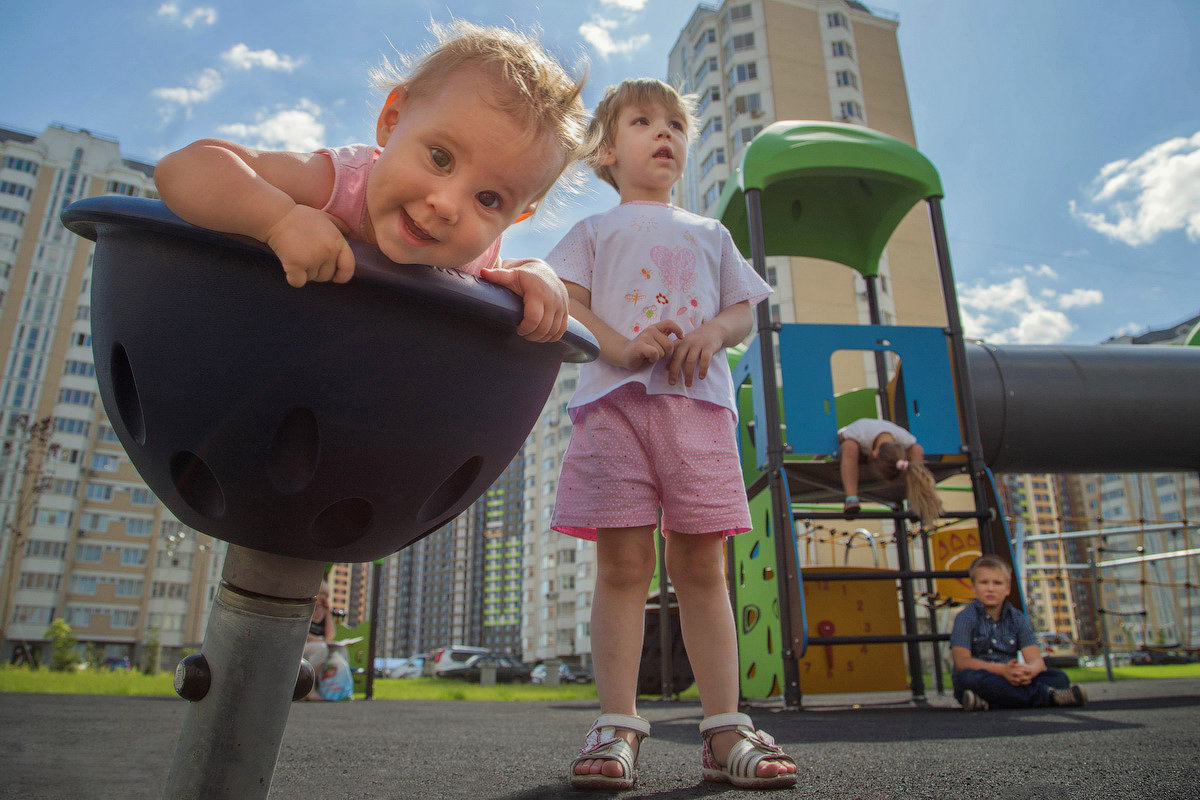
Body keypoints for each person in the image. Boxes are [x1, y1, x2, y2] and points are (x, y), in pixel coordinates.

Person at [547, 78, 796, 791]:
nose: (665, 134)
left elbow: (742, 311)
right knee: (623, 570)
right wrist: (622, 346)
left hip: (699, 415)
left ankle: (724, 728)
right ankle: (616, 723)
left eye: (676, 124)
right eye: (642, 121)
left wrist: (714, 331)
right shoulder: (593, 232)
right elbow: (570, 299)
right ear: (605, 151)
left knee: (702, 571)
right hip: (616, 410)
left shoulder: (711, 232)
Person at [154, 20, 588, 343]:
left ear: (517, 218)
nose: (447, 205)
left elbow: (499, 273)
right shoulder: (339, 185)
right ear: (391, 120)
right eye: (441, 158)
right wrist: (279, 220)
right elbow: (187, 166)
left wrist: (536, 272)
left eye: (490, 199)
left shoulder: (474, 251)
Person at [949, 555, 1087, 711]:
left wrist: (1027, 672)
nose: (991, 588)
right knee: (969, 678)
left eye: (997, 583)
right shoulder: (965, 618)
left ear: (1007, 589)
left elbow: (1036, 661)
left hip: (1012, 679)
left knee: (1059, 678)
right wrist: (1003, 670)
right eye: (984, 582)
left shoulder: (1017, 618)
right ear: (973, 587)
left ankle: (989, 703)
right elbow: (962, 662)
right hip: (985, 677)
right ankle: (1050, 697)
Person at [837, 417, 943, 527]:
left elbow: (916, 449)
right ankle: (851, 498)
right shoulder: (859, 430)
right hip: (858, 451)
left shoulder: (903, 438)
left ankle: (915, 500)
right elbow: (837, 438)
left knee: (916, 449)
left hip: (881, 449)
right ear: (874, 455)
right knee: (849, 445)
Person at [302, 580, 336, 701]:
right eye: (321, 593)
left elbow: (330, 635)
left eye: (326, 595)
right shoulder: (305, 609)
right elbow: (302, 633)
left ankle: (338, 690)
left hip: (319, 646)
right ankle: (309, 690)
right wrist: (319, 640)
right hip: (303, 647)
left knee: (339, 652)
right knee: (320, 649)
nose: (323, 597)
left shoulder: (324, 613)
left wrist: (327, 613)